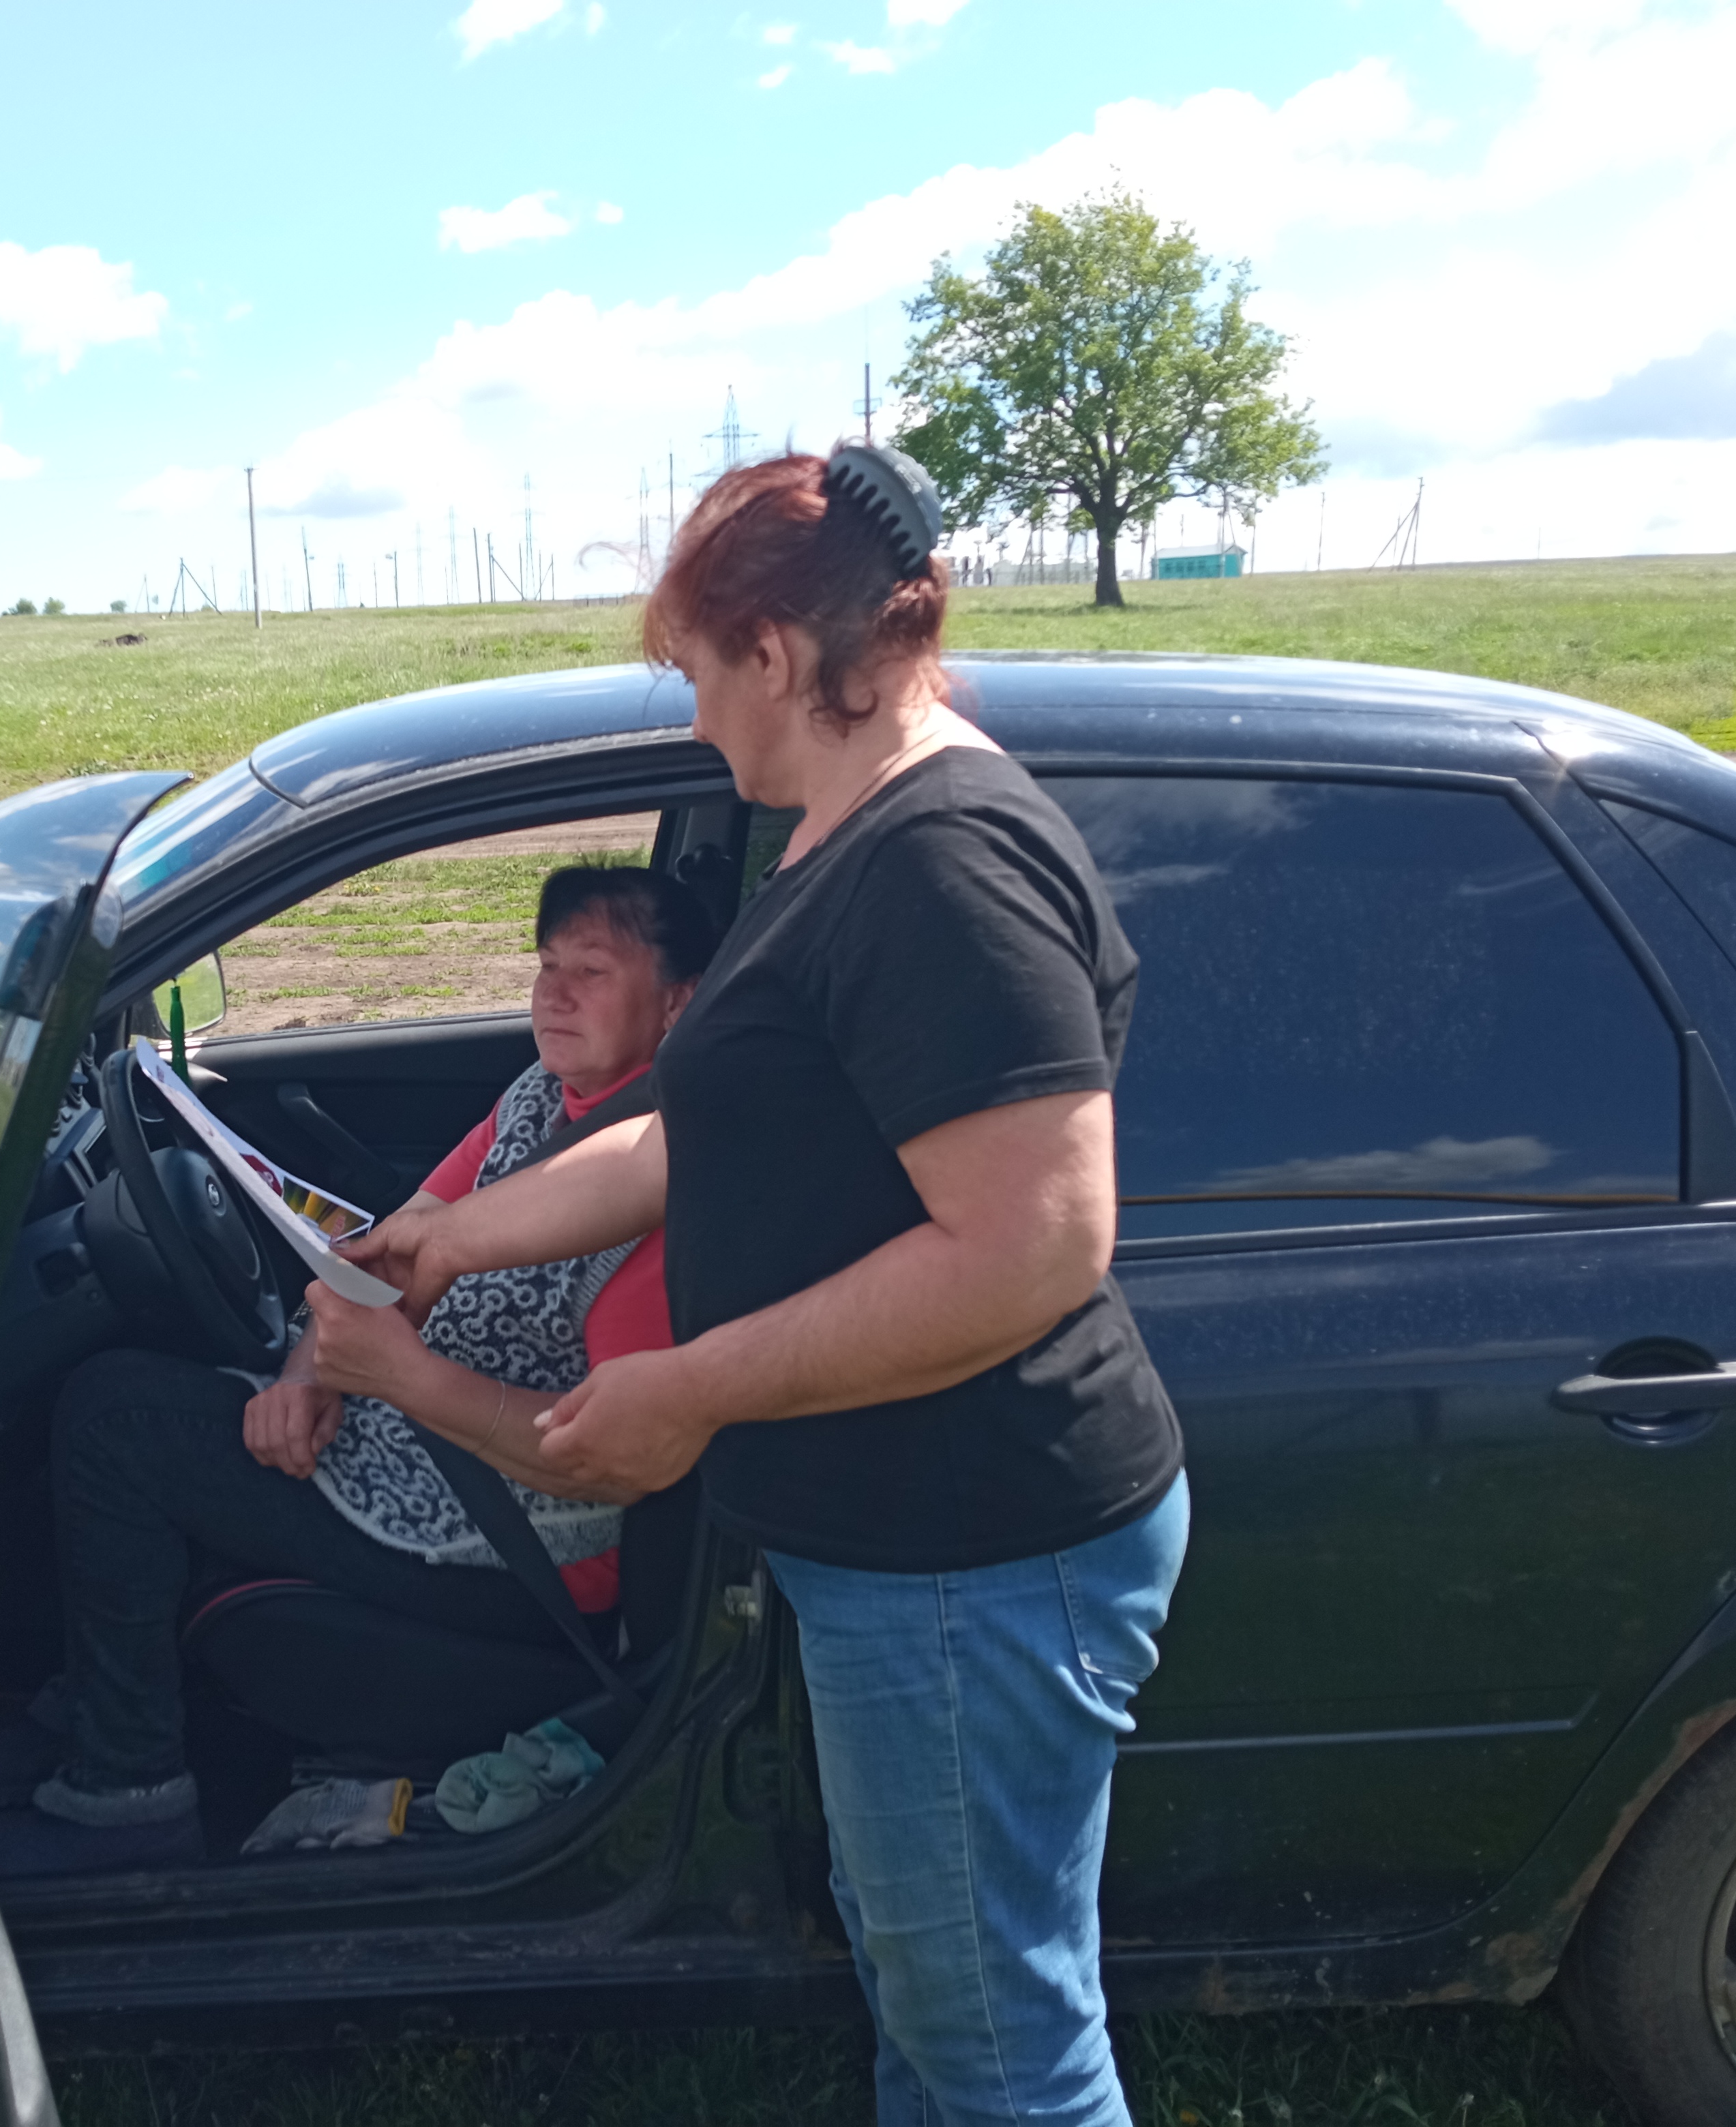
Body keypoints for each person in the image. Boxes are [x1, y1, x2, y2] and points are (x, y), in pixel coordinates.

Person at [345, 446, 1188, 2127]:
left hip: (975, 1544)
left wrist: (695, 1386)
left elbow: (1030, 1245)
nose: (692, 714)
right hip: (904, 1542)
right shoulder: (838, 837)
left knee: (1000, 2040)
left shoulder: (940, 865)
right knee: (932, 1988)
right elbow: (692, 1136)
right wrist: (452, 1237)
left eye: (694, 670)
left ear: (781, 656)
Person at [0, 864, 718, 1873]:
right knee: (139, 1390)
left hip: (522, 1536)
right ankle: (89, 1714)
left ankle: (128, 1790)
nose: (554, 994)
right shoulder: (539, 1100)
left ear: (678, 1002)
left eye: (591, 970)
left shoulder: (666, 1192)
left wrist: (400, 1378)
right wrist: (306, 1376)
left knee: (117, 1422)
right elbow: (387, 1257)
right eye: (546, 965)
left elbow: (608, 1463)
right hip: (410, 1438)